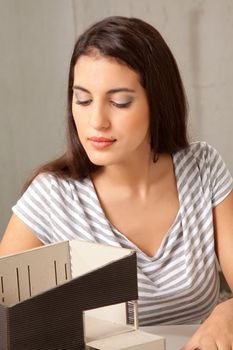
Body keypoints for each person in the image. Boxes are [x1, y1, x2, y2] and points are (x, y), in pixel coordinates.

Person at [0, 16, 233, 349]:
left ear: (158, 101)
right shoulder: (52, 195)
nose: (96, 121)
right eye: (82, 100)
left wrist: (227, 314)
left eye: (119, 102)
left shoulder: (201, 169)